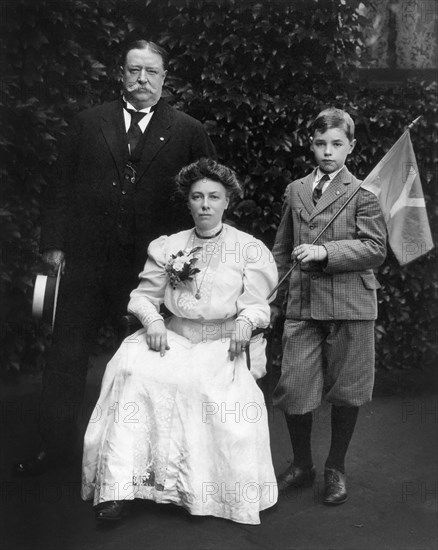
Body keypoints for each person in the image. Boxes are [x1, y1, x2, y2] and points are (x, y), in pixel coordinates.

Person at [15, 39, 216, 476]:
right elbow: (59, 187)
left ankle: (142, 463)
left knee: (148, 361)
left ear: (165, 78)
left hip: (152, 271)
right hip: (85, 264)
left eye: (151, 72)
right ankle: (56, 452)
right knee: (66, 355)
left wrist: (190, 257)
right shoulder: (88, 123)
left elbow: (205, 198)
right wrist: (54, 245)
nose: (142, 80)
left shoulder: (187, 130)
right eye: (133, 70)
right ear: (120, 74)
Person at [81, 158, 279, 524]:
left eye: (214, 197)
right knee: (131, 373)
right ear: (187, 202)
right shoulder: (169, 245)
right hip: (173, 335)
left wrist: (245, 323)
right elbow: (143, 296)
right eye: (197, 196)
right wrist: (154, 320)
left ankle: (195, 490)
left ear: (227, 202)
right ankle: (118, 487)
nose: (205, 204)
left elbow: (258, 306)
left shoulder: (249, 248)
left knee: (199, 385)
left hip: (223, 342)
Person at [271, 108, 387, 505]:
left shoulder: (364, 193)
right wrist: (270, 296)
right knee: (294, 385)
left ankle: (335, 466)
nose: (328, 152)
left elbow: (375, 248)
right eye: (321, 143)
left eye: (337, 144)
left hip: (350, 303)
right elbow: (283, 247)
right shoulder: (296, 189)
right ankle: (303, 465)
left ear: (351, 147)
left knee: (348, 389)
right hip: (303, 303)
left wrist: (324, 251)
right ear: (311, 144)